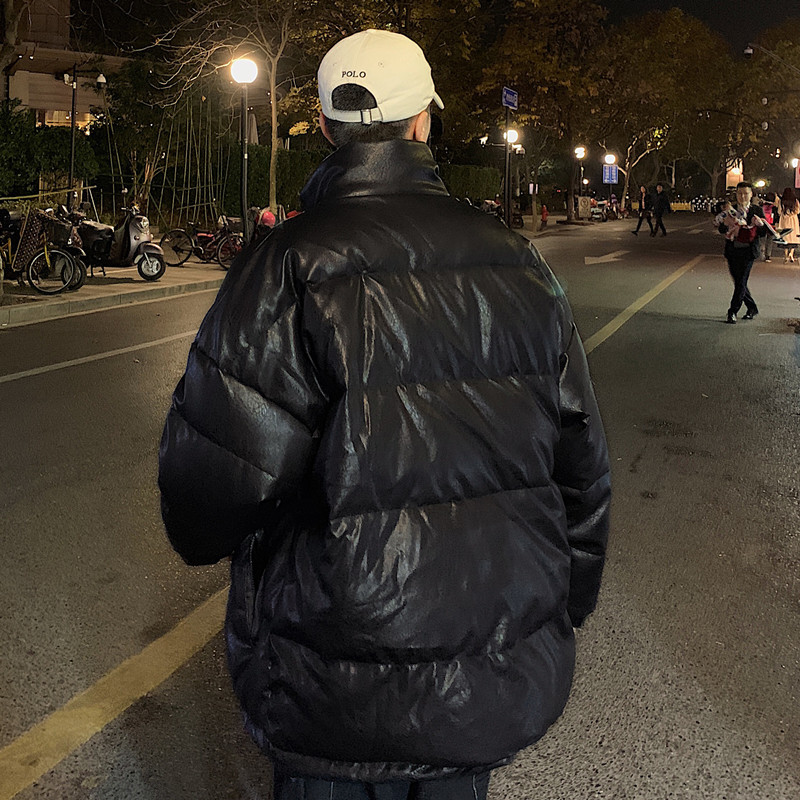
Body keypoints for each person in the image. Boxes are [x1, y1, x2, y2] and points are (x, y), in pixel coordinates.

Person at [158, 28, 610, 800]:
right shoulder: (517, 261)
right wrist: (560, 606)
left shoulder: (287, 263)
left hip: (329, 677)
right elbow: (580, 466)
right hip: (480, 669)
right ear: (423, 121)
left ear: (326, 128)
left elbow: (208, 488)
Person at [717, 182, 765, 324]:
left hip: (748, 251)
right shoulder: (730, 209)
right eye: (739, 193)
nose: (742, 196)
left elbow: (763, 232)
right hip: (732, 250)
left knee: (741, 281)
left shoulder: (756, 210)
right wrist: (725, 224)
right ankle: (752, 307)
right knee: (738, 281)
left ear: (751, 194)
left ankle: (732, 311)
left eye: (745, 193)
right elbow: (721, 229)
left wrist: (758, 224)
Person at [778, 187, 799, 263]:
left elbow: (779, 211)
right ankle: (791, 254)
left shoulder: (781, 201)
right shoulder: (795, 201)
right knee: (793, 238)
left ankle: (786, 256)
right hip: (793, 220)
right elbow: (798, 211)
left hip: (784, 220)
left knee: (785, 237)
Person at [760, 192, 778, 262]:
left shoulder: (762, 206)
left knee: (762, 240)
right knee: (769, 240)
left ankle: (762, 254)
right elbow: (776, 217)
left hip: (763, 224)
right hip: (771, 225)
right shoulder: (774, 207)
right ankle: (768, 256)